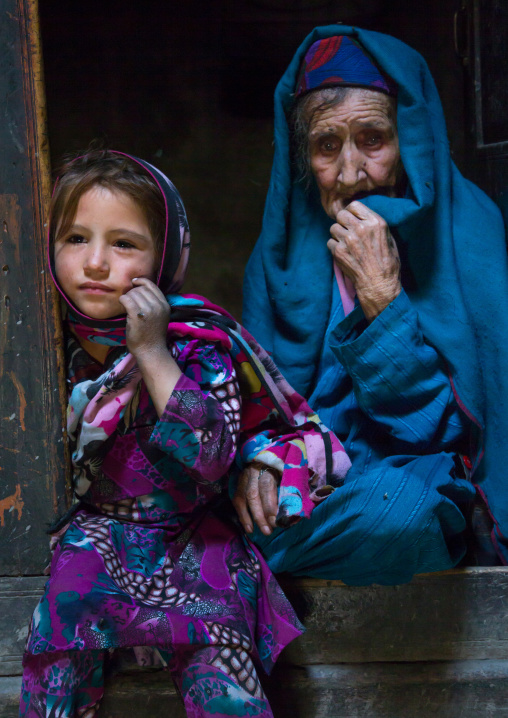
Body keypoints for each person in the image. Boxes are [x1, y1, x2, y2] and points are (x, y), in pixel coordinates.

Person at [19, 150, 351, 717]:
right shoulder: (40, 341)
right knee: (55, 668)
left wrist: (149, 349)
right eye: (75, 238)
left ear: (166, 252)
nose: (95, 262)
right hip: (92, 546)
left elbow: (211, 456)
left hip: (191, 546)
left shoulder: (196, 341)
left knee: (223, 684)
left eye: (124, 243)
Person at [235, 26, 508, 584]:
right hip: (311, 485)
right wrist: (258, 463)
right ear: (302, 158)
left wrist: (382, 300)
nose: (352, 171)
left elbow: (445, 433)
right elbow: (256, 410)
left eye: (373, 139)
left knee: (403, 517)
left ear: (410, 138)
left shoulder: (466, 233)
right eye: (327, 146)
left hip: (418, 478)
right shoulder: (280, 258)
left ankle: (234, 572)